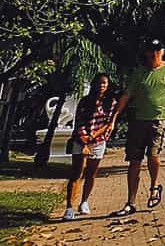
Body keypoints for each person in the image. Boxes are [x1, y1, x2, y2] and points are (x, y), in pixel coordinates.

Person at [110, 39, 165, 216]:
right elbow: (127, 96)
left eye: (157, 50)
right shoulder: (139, 73)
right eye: (151, 50)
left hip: (158, 120)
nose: (154, 54)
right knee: (134, 161)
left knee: (153, 155)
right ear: (146, 53)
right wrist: (114, 118)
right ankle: (130, 202)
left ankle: (154, 187)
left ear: (162, 52)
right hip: (137, 120)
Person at [63, 73, 117, 220]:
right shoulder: (85, 101)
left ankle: (84, 201)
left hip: (98, 140)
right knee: (76, 173)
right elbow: (79, 122)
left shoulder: (110, 103)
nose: (102, 86)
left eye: (105, 83)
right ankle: (69, 207)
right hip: (81, 140)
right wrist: (84, 139)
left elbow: (108, 124)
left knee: (91, 173)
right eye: (99, 83)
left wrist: (93, 137)